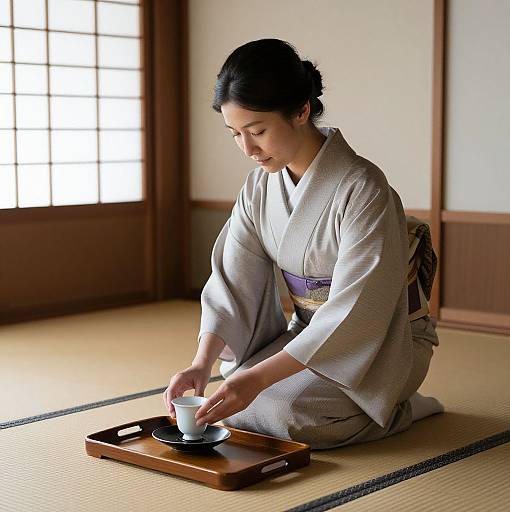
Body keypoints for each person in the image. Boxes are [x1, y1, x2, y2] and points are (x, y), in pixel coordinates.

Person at [163, 38, 444, 449]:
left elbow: (356, 313)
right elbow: (232, 283)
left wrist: (258, 379)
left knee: (289, 415)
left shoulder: (363, 189)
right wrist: (201, 363)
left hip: (380, 342)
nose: (248, 149)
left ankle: (401, 406)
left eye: (257, 131)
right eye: (235, 134)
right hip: (309, 333)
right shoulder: (260, 185)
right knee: (231, 398)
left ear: (301, 110)